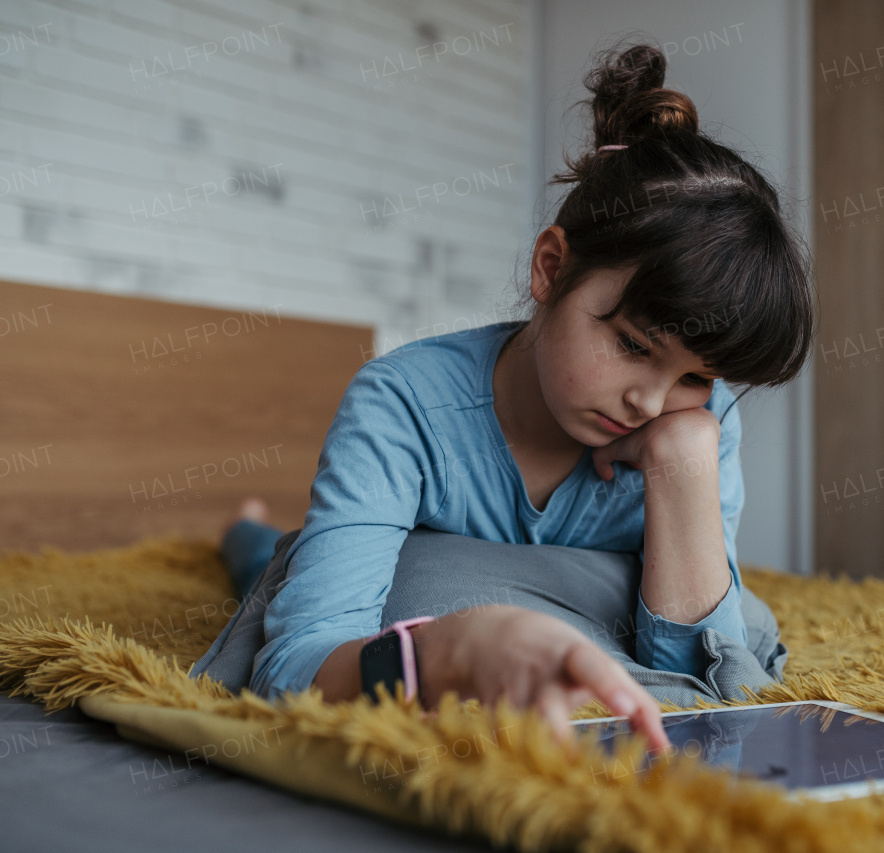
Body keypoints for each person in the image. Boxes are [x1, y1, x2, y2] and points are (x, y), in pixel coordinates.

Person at [217, 40, 814, 750]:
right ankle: (241, 531)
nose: (650, 404)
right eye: (632, 345)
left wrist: (682, 461)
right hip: (373, 575)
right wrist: (446, 650)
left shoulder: (698, 424)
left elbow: (713, 693)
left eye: (696, 376)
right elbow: (291, 670)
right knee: (269, 567)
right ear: (550, 267)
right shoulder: (403, 405)